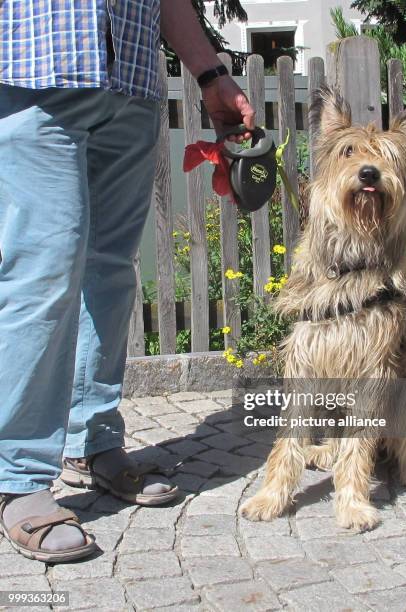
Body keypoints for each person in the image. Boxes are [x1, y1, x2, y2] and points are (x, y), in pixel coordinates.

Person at [0, 0, 255, 563]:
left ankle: (92, 439)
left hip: (132, 84)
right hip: (33, 71)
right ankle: (16, 474)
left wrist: (210, 75)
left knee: (113, 271)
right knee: (43, 272)